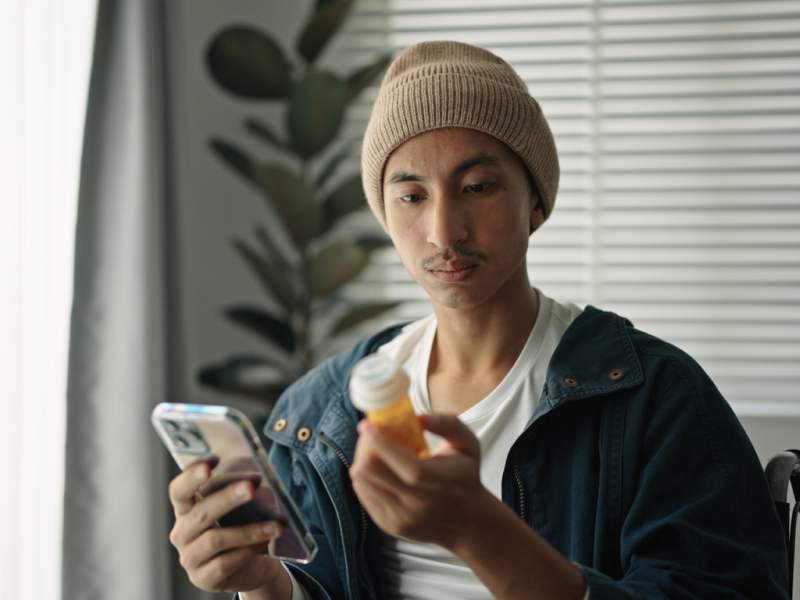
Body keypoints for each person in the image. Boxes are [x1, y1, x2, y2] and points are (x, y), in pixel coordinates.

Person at [167, 41, 790, 600]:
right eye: (411, 196)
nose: (444, 232)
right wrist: (268, 589)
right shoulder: (320, 413)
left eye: (478, 187)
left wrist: (477, 529)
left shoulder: (655, 397)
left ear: (536, 202)